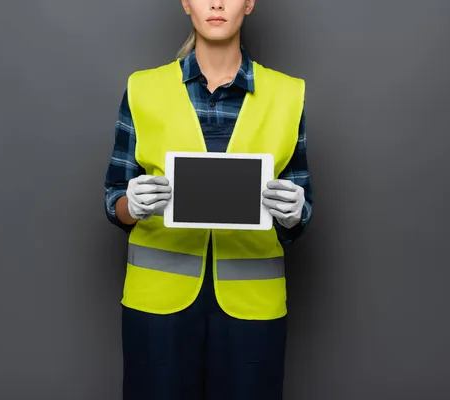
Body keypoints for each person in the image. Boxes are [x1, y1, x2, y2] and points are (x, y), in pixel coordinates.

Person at [103, 1, 313, 399]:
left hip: (253, 307)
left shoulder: (289, 94)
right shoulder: (142, 88)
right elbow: (115, 196)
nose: (216, 3)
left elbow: (301, 209)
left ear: (249, 3)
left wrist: (293, 214)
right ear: (185, 2)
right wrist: (132, 203)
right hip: (157, 306)